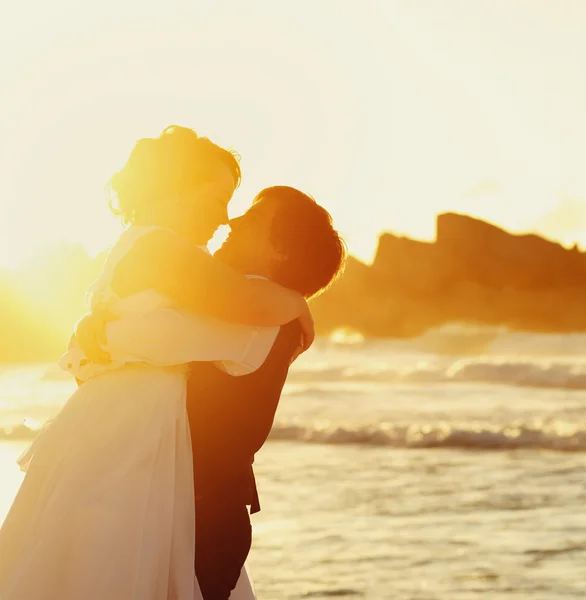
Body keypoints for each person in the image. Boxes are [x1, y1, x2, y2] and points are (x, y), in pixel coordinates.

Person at [0, 127, 320, 600]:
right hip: (126, 434)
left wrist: (98, 338)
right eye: (216, 199)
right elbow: (224, 306)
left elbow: (157, 330)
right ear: (173, 191)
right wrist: (295, 302)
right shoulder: (161, 247)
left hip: (129, 431)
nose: (225, 218)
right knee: (110, 562)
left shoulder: (158, 249)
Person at [74, 186, 347, 599]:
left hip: (196, 521)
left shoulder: (255, 316)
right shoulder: (252, 305)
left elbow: (134, 340)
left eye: (254, 219)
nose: (232, 221)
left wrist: (92, 333)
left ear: (282, 252)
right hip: (185, 512)